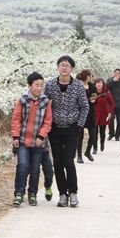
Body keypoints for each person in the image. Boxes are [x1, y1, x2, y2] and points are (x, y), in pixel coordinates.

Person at [43, 55, 89, 208]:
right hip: (54, 129)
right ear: (57, 67)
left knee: (68, 161)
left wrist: (79, 125)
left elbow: (85, 107)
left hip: (72, 128)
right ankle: (63, 194)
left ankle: (73, 192)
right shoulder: (49, 85)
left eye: (67, 65)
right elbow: (43, 104)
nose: (64, 67)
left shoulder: (77, 86)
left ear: (72, 69)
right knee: (57, 162)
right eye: (62, 65)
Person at [11, 72, 53, 206]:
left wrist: (41, 136)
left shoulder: (45, 102)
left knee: (35, 169)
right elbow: (16, 119)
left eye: (42, 85)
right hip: (23, 140)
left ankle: (33, 193)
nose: (39, 88)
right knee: (22, 165)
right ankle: (19, 193)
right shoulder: (22, 100)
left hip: (38, 142)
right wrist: (15, 136)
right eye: (37, 85)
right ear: (30, 86)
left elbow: (48, 121)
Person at [75, 69, 97, 163]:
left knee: (93, 134)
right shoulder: (78, 86)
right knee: (80, 136)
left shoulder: (91, 86)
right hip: (81, 113)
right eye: (90, 75)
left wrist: (94, 99)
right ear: (86, 76)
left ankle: (87, 152)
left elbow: (94, 94)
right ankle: (79, 155)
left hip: (91, 112)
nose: (91, 77)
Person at [92, 77, 115, 152]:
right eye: (97, 83)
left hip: (103, 114)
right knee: (94, 132)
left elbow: (111, 103)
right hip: (94, 114)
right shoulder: (93, 92)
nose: (99, 84)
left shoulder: (106, 92)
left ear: (103, 84)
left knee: (102, 132)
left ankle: (102, 143)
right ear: (95, 84)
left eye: (100, 83)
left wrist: (110, 112)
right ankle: (95, 147)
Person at [106, 68, 120, 141]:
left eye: (118, 73)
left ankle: (117, 135)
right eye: (115, 73)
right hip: (111, 104)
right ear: (113, 74)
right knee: (111, 119)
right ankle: (111, 133)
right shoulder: (109, 80)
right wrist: (112, 81)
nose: (117, 74)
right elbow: (106, 88)